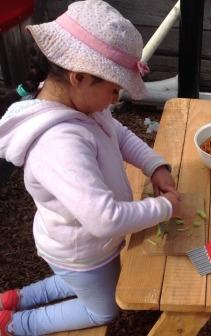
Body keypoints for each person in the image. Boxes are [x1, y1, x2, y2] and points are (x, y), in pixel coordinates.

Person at [0, 1, 181, 335]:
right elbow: (105, 219)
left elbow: (120, 134)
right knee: (104, 308)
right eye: (113, 89)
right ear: (79, 78)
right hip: (82, 250)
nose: (115, 99)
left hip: (83, 249)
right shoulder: (60, 144)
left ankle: (16, 298)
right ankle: (17, 324)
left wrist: (155, 166)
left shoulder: (83, 105)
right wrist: (164, 207)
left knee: (80, 282)